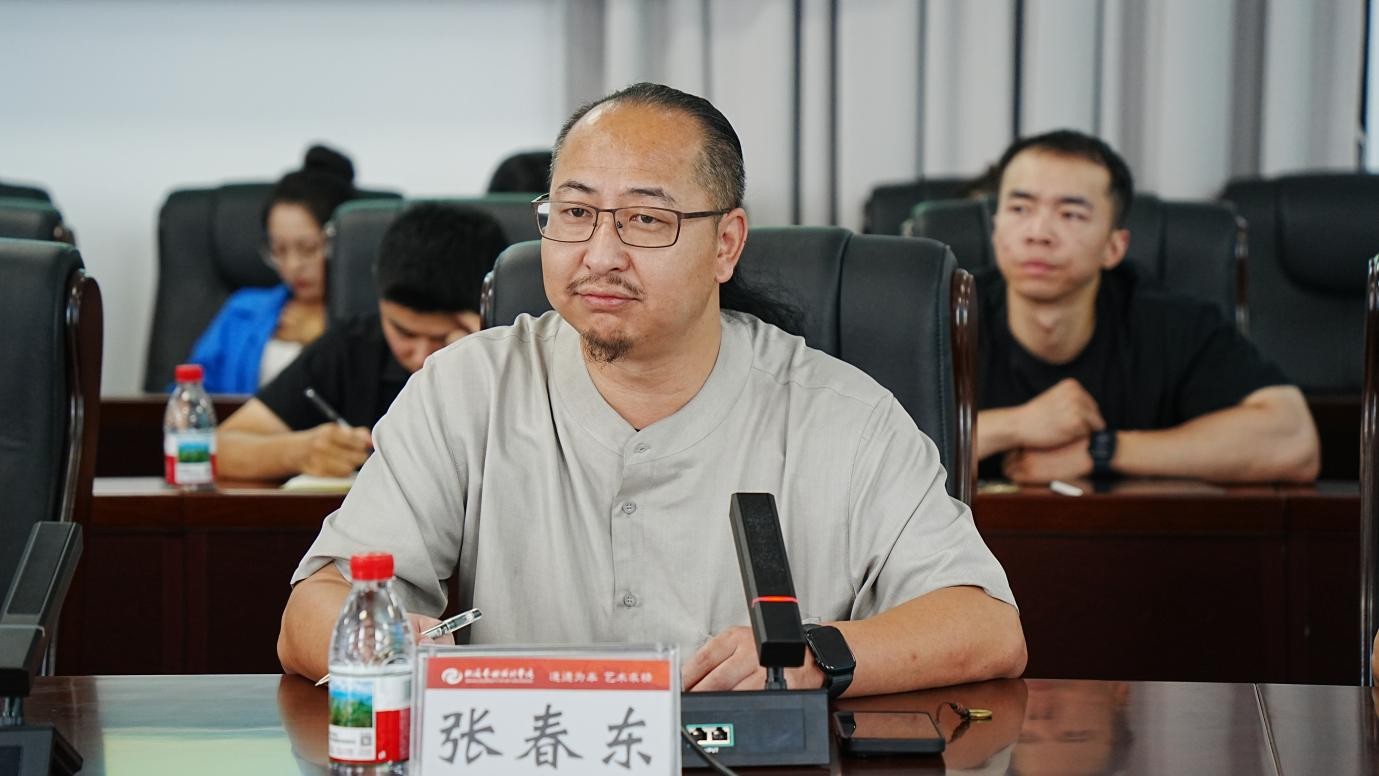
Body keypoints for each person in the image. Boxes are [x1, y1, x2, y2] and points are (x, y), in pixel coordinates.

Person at [278, 82, 1026, 696]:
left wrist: (816, 655)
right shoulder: (465, 388)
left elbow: (986, 625)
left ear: (726, 244)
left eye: (644, 219)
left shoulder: (843, 415)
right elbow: (309, 614)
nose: (599, 254)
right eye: (574, 213)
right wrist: (382, 639)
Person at [974, 129, 1319, 484]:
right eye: (1019, 209)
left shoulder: (1173, 323)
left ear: (1114, 248)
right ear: (995, 229)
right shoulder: (947, 315)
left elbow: (1293, 440)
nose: (1038, 233)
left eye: (1070, 214)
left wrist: (1102, 450)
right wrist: (1015, 425)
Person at [215, 203, 507, 480]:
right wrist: (297, 452)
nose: (421, 356)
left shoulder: (514, 356)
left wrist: (485, 355)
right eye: (404, 333)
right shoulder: (351, 348)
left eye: (443, 338)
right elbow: (220, 447)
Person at [186, 145, 356, 393]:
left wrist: (327, 340)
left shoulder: (371, 320)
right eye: (279, 250)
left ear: (343, 241)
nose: (293, 265)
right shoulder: (243, 311)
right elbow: (190, 392)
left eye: (308, 248)